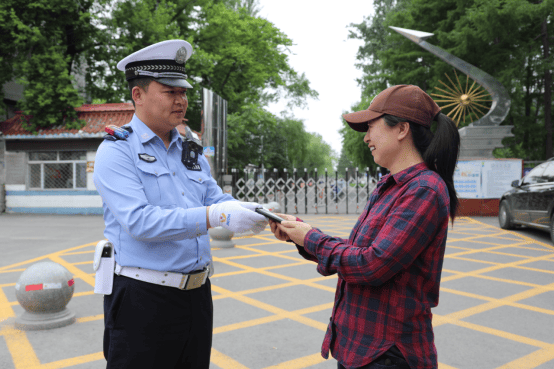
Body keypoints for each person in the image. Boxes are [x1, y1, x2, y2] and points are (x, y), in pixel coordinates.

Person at [93, 39, 268, 369]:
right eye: (170, 91)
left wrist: (254, 210)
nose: (181, 100)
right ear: (138, 94)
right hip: (142, 299)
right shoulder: (117, 151)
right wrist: (214, 215)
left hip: (197, 295)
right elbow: (140, 222)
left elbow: (215, 199)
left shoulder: (190, 151)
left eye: (183, 91)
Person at [270, 85, 460, 369]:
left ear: (402, 129)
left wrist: (312, 238)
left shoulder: (425, 189)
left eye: (371, 127)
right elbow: (356, 253)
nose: (366, 138)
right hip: (360, 348)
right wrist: (301, 236)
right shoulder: (389, 186)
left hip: (388, 353)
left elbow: (372, 264)